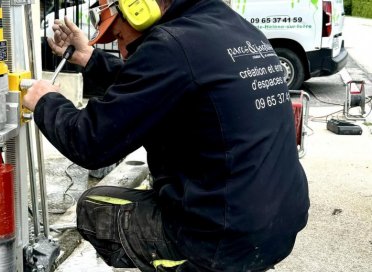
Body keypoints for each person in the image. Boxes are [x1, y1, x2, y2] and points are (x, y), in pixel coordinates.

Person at [23, 0, 310, 271]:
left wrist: (46, 101)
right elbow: (157, 81)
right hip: (279, 223)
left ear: (138, 8)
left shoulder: (170, 45)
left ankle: (189, 262)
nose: (122, 50)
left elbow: (90, 142)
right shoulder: (235, 29)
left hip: (219, 239)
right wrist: (91, 58)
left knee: (93, 209)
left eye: (120, 37)